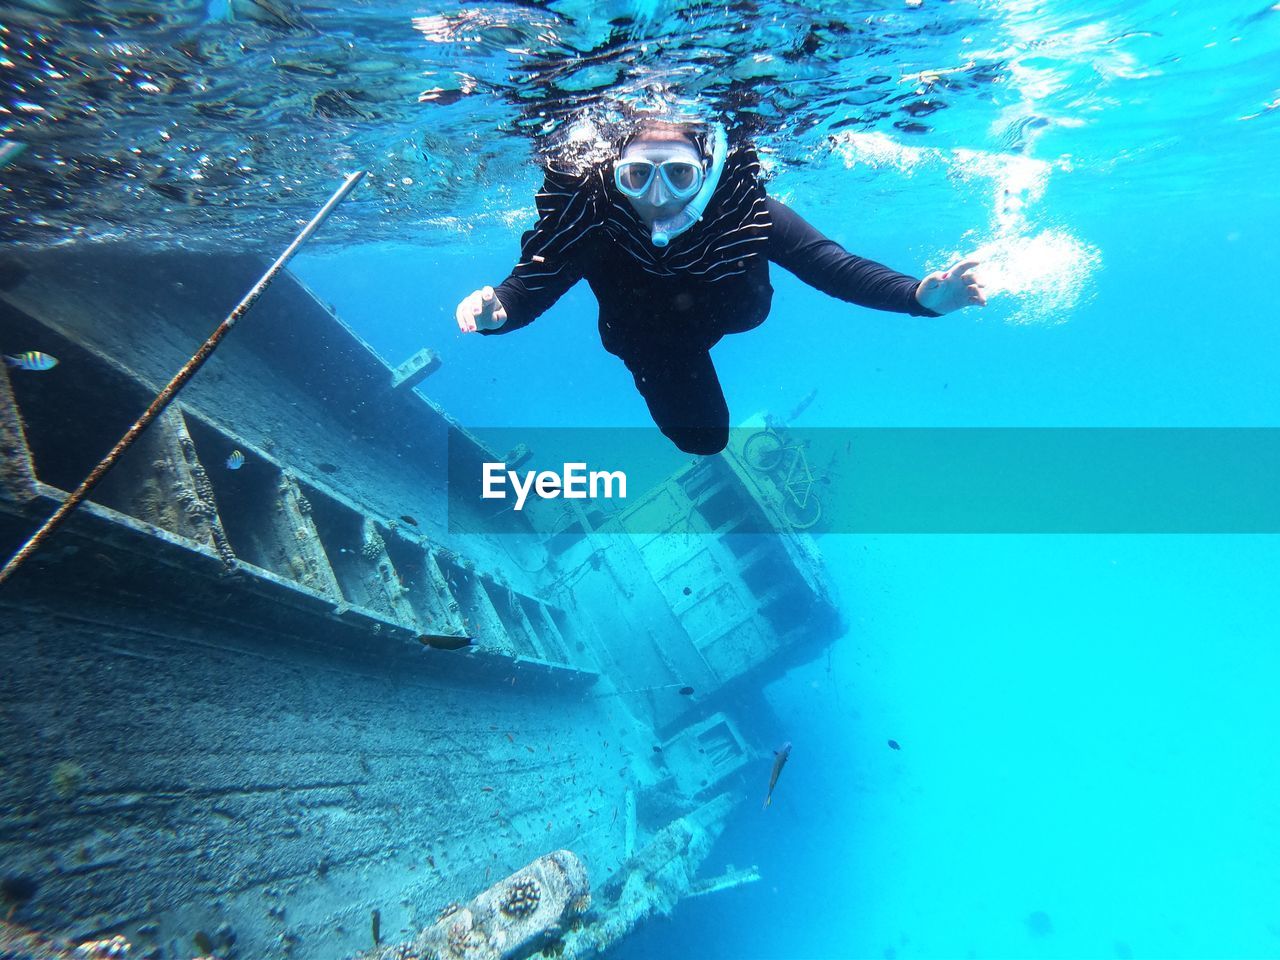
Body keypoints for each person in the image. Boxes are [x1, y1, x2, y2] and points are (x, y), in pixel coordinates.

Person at [455, 118, 985, 455]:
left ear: (706, 171)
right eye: (637, 176)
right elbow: (533, 283)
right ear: (614, 172)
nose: (657, 197)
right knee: (704, 440)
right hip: (651, 337)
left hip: (725, 307)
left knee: (746, 307)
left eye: (678, 176)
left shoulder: (746, 213)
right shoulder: (593, 218)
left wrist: (918, 298)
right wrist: (497, 311)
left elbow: (830, 264)